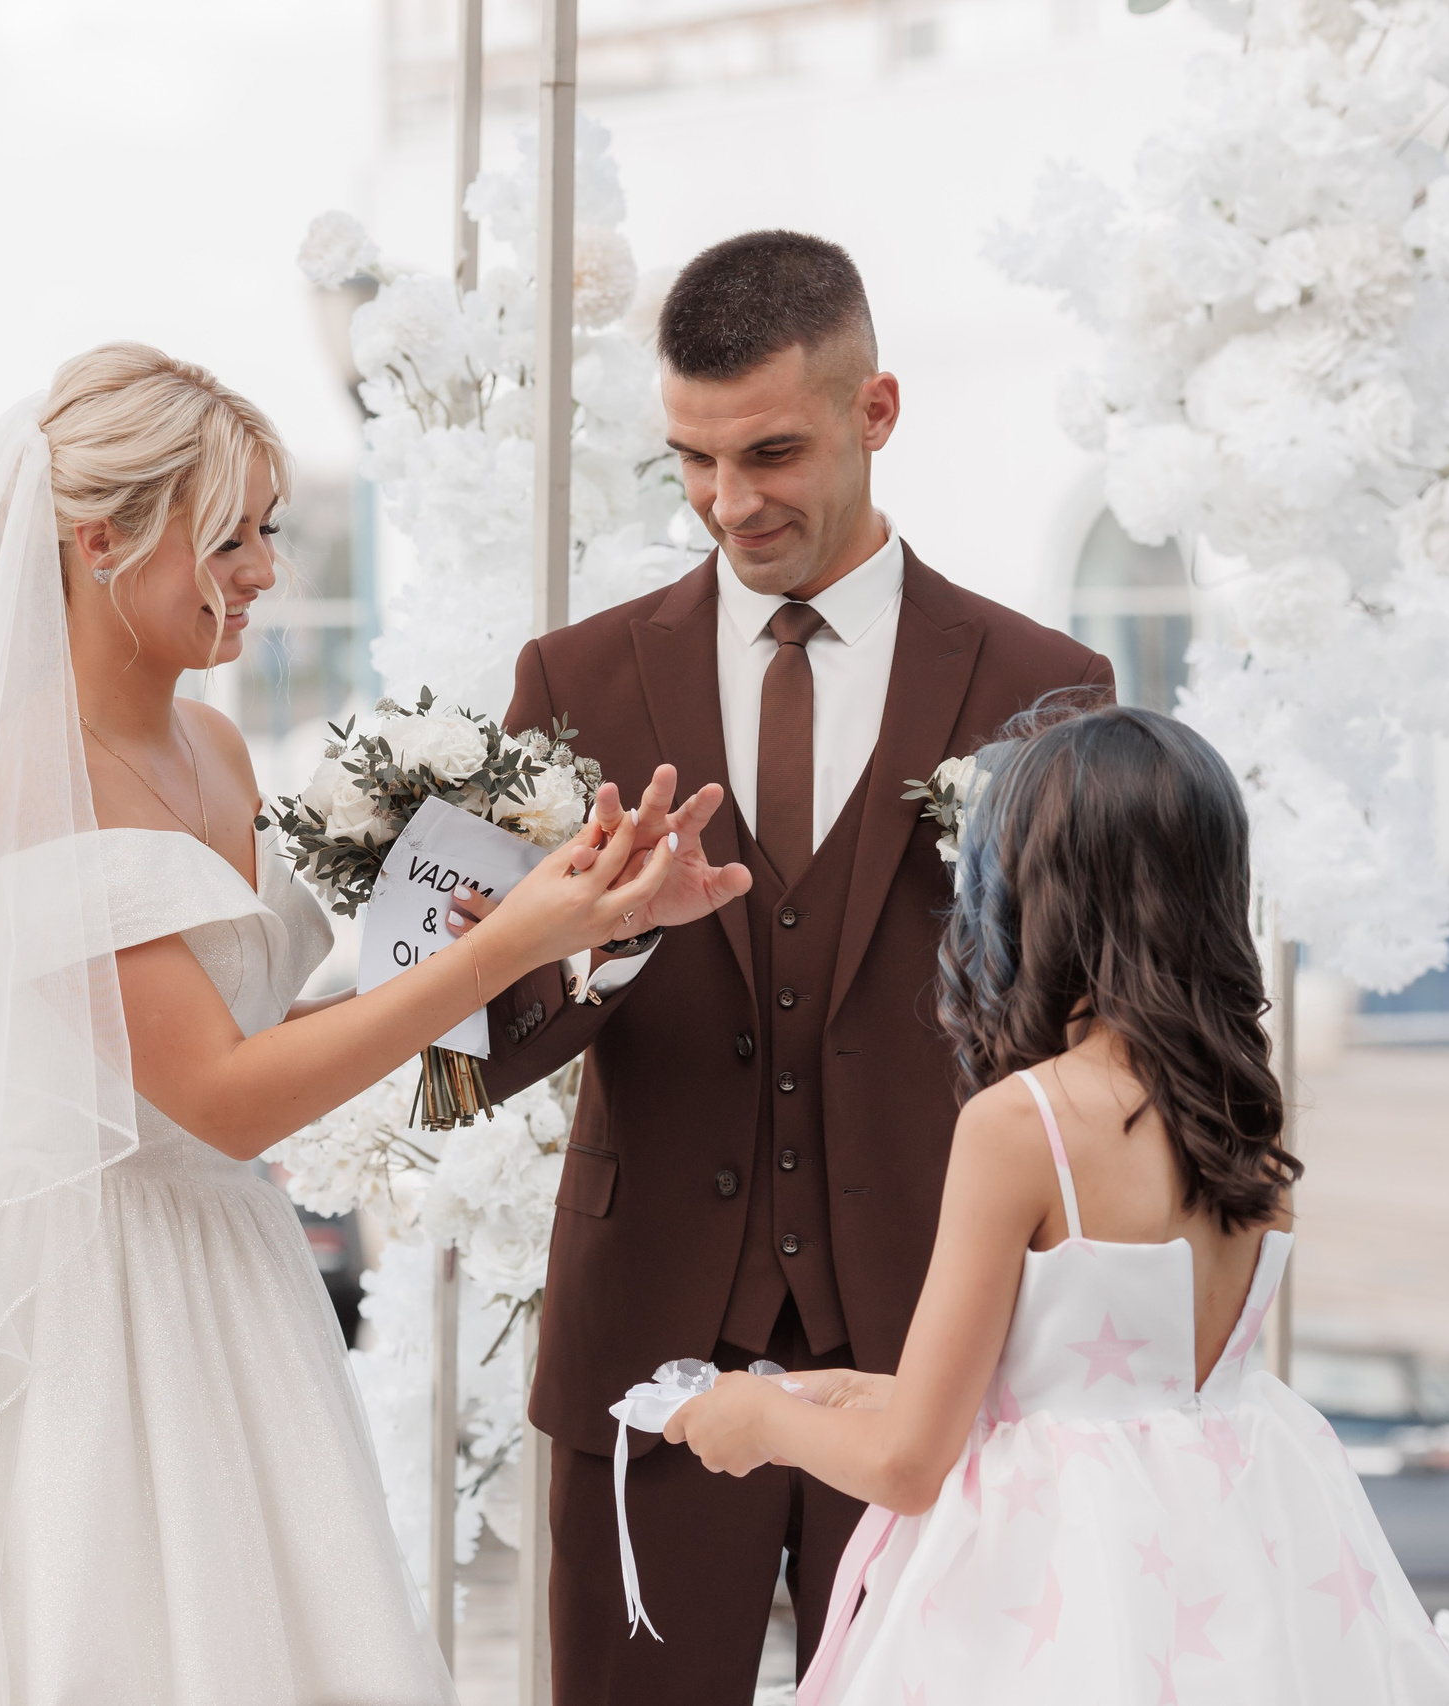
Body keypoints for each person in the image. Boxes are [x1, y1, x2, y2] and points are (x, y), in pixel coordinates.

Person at [0, 343, 749, 1706]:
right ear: (100, 540)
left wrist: (582, 926)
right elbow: (224, 1093)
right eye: (228, 537)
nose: (266, 568)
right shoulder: (19, 778)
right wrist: (501, 946)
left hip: (223, 1272)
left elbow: (273, 1031)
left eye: (269, 528)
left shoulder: (214, 749)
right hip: (84, 1306)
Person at [450, 229, 1115, 1703]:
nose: (727, 501)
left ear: (875, 411)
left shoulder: (1046, 688)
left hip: (939, 1356)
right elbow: (461, 1053)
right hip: (649, 1350)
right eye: (690, 458)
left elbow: (1089, 1040)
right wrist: (591, 940)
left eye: (770, 453)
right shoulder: (573, 681)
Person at [664, 704, 1449, 1706]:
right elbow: (1113, 1389)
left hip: (1057, 1585)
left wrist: (757, 1418)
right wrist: (855, 1390)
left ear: (1035, 893)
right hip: (1239, 1562)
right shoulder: (1241, 1115)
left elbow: (910, 1466)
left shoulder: (1025, 1122)